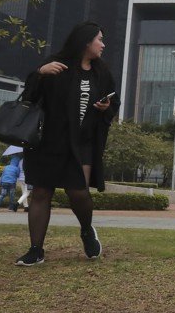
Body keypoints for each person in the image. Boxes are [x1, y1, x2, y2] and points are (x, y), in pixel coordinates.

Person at [16, 22, 118, 266]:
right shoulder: (56, 66)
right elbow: (29, 97)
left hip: (82, 143)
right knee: (41, 192)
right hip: (49, 141)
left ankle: (86, 229)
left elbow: (114, 103)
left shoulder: (101, 72)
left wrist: (106, 107)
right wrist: (40, 73)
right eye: (99, 39)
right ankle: (35, 249)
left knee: (78, 193)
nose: (103, 44)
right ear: (85, 42)